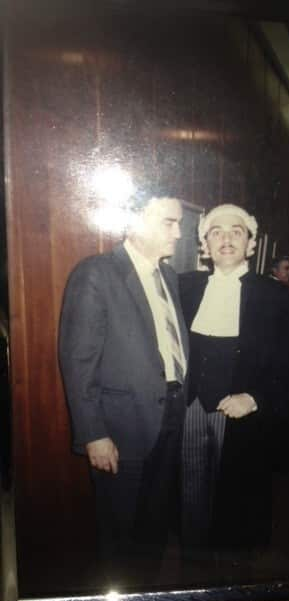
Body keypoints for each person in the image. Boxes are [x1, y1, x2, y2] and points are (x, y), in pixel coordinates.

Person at [58, 192, 188, 580]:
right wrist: (93, 433)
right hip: (121, 427)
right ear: (136, 221)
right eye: (170, 222)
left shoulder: (168, 276)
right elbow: (78, 362)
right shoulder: (95, 273)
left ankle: (144, 599)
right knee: (119, 534)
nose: (179, 233)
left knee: (154, 526)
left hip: (170, 415)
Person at [179, 204, 289, 566]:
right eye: (216, 232)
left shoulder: (277, 296)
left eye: (237, 231)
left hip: (243, 416)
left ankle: (231, 572)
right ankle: (191, 564)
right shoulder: (183, 287)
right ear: (205, 244)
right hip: (189, 409)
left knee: (237, 499)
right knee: (189, 494)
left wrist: (255, 397)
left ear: (251, 244)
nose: (227, 238)